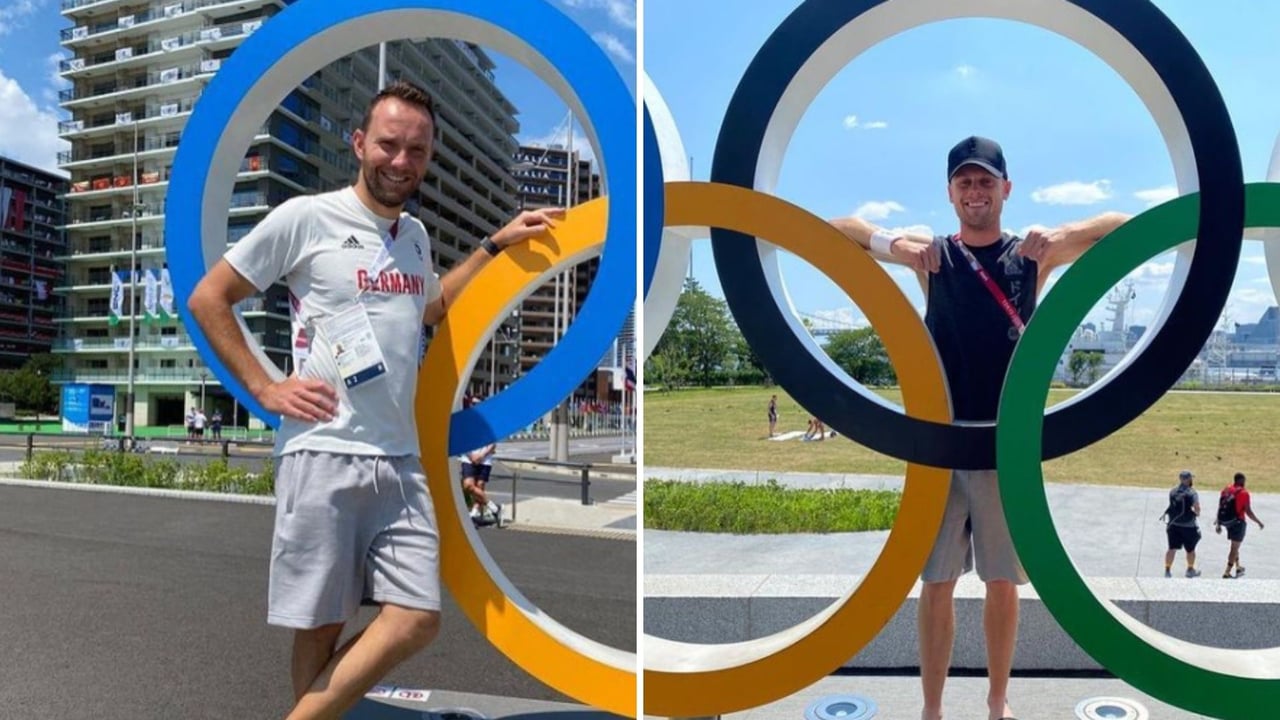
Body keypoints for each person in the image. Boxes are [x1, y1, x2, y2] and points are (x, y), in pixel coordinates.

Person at [186, 80, 560, 720]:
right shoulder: (307, 218)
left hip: (401, 458)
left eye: (416, 149)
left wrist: (494, 247)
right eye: (389, 144)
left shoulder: (412, 236)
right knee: (321, 626)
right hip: (325, 450)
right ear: (360, 143)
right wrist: (264, 386)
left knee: (416, 617)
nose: (401, 160)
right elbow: (208, 297)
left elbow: (429, 307)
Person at [831, 136, 1129, 720]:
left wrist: (1060, 232)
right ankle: (933, 710)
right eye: (964, 182)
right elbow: (838, 229)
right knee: (936, 583)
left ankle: (998, 705)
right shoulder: (932, 254)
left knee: (1002, 582)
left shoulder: (1031, 254)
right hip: (940, 444)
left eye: (986, 181)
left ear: (1005, 189)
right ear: (949, 192)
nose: (975, 191)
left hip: (1003, 446)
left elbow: (1121, 226)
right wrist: (897, 245)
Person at [1214, 472, 1265, 579]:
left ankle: (1238, 566)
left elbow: (1221, 506)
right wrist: (1259, 522)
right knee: (1234, 547)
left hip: (1227, 521)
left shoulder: (1227, 489)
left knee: (1235, 545)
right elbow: (1248, 512)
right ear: (1242, 481)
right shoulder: (1244, 493)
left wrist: (1218, 523)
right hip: (1238, 522)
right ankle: (1227, 571)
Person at [1160, 470, 1202, 578]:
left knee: (1171, 548)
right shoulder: (1191, 492)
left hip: (1173, 524)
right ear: (1188, 479)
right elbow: (1197, 507)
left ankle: (1167, 570)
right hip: (1188, 526)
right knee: (1190, 549)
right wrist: (1196, 513)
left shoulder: (1173, 491)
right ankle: (1190, 569)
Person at [460, 443, 500, 525]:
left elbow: (493, 442)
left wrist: (482, 455)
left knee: (480, 486)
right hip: (468, 458)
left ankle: (474, 514)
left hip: (485, 459)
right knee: (468, 485)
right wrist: (471, 455)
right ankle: (493, 507)